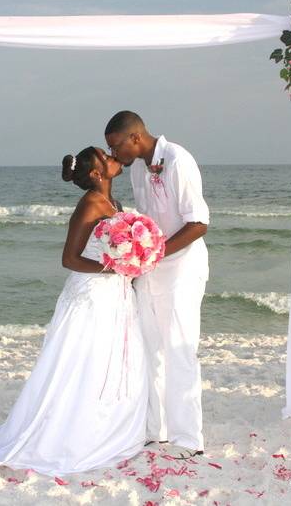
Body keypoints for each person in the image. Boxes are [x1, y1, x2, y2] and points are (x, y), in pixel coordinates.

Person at [0, 147, 147, 476]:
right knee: (82, 362)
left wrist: (131, 262)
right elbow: (70, 259)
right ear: (97, 174)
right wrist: (113, 268)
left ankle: (106, 428)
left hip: (115, 294)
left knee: (108, 361)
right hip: (92, 293)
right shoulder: (89, 204)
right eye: (106, 156)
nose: (113, 156)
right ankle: (72, 434)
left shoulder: (114, 204)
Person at [105, 111, 209, 456]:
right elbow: (146, 220)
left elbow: (198, 223)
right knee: (150, 350)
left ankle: (188, 439)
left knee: (180, 350)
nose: (114, 154)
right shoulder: (137, 168)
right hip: (149, 270)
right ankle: (155, 430)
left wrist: (155, 252)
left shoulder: (178, 161)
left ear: (135, 138)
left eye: (116, 145)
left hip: (181, 268)